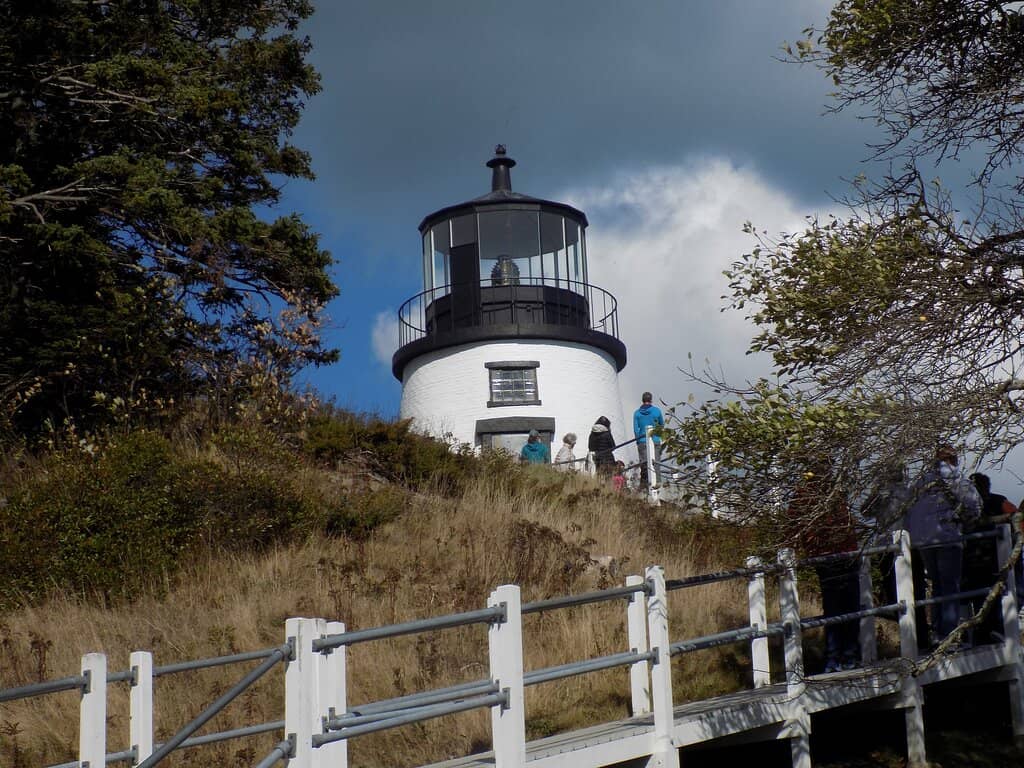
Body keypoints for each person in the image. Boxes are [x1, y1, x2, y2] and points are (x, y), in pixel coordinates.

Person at [787, 462, 861, 672]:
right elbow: (847, 526)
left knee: (834, 608)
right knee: (849, 607)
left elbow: (793, 527)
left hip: (827, 557)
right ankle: (847, 655)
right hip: (841, 555)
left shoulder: (802, 497)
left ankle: (835, 657)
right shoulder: (834, 495)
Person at [905, 445, 981, 647]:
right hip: (947, 537)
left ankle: (937, 634)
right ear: (952, 459)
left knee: (937, 586)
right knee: (950, 586)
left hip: (923, 541)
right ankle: (948, 636)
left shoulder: (921, 480)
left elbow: (909, 509)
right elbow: (973, 502)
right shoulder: (954, 476)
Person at [964, 473, 1019, 643]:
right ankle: (990, 633)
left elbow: (1016, 516)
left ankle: (987, 634)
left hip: (982, 560)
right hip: (986, 561)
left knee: (985, 599)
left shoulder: (972, 506)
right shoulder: (993, 502)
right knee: (990, 598)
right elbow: (1016, 516)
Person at [633, 392, 664, 489]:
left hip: (642, 441)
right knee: (656, 462)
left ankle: (645, 485)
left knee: (644, 463)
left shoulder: (637, 413)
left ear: (642, 400)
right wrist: (657, 436)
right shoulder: (657, 411)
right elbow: (661, 425)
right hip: (655, 440)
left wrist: (639, 440)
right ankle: (657, 483)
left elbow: (636, 429)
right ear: (651, 400)